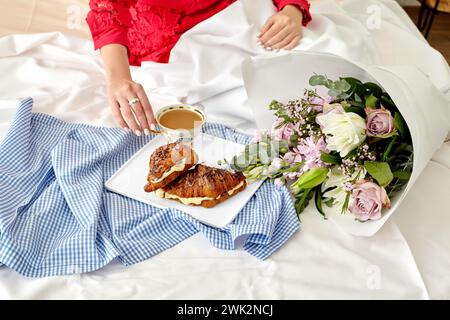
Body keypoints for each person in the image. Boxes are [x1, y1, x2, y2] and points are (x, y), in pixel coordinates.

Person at [86, 0, 312, 136]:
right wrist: (117, 78)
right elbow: (107, 8)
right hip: (173, 45)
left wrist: (291, 9)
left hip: (248, 18)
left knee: (323, 74)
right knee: (268, 106)